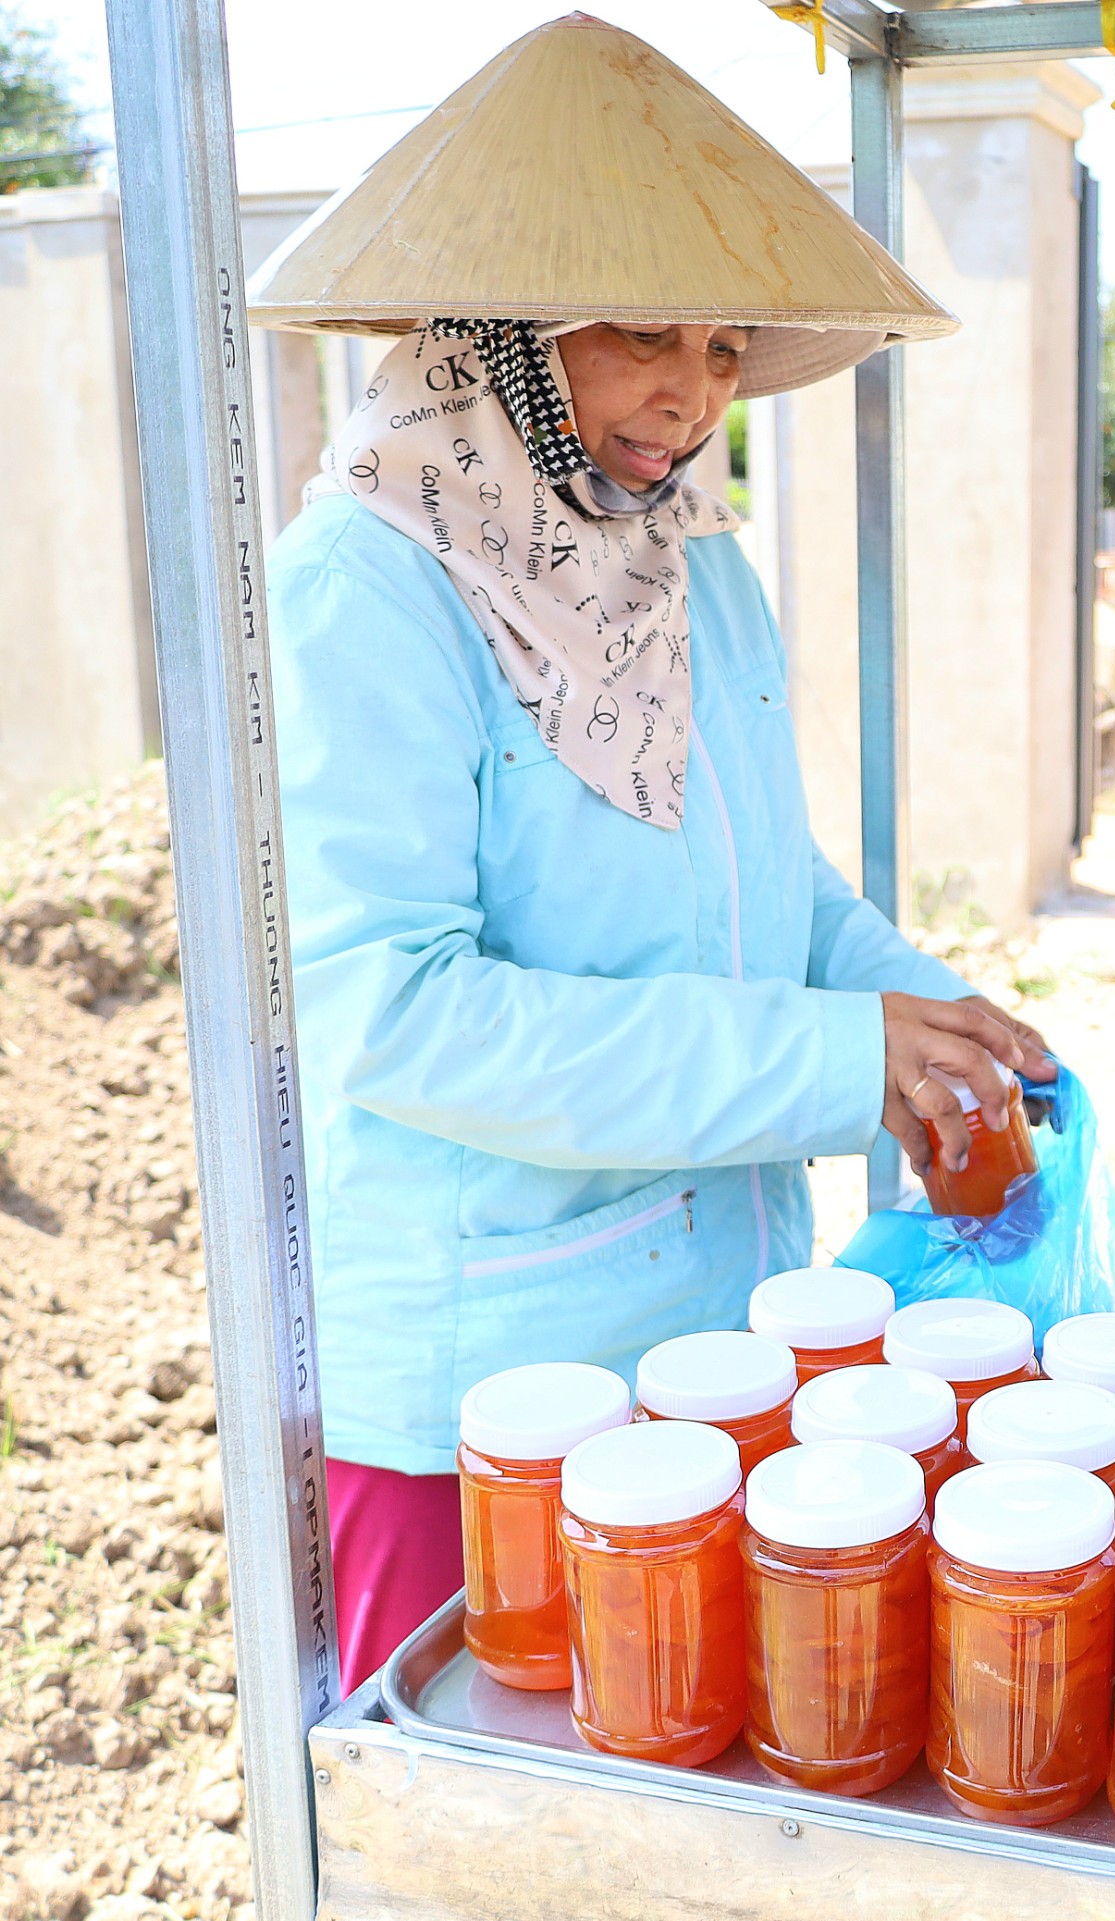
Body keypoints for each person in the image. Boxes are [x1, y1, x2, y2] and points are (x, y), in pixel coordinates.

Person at [251, 17, 1048, 1685]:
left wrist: (927, 1015)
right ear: (504, 339)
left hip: (713, 1359)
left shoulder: (688, 562)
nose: (689, 395)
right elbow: (394, 1010)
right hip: (490, 1402)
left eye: (724, 344)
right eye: (636, 338)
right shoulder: (368, 590)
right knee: (478, 1820)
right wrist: (839, 1059)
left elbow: (772, 901)